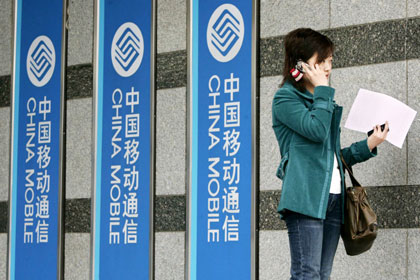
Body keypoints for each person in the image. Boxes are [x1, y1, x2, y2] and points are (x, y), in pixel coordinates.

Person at [271, 28, 389, 280]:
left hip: (334, 199)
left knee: (322, 275)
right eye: (321, 61)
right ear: (301, 64)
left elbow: (332, 157)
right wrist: (323, 90)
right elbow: (315, 130)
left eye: (330, 61)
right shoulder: (285, 98)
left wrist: (368, 144)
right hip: (306, 198)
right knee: (307, 274)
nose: (327, 68)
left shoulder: (321, 102)